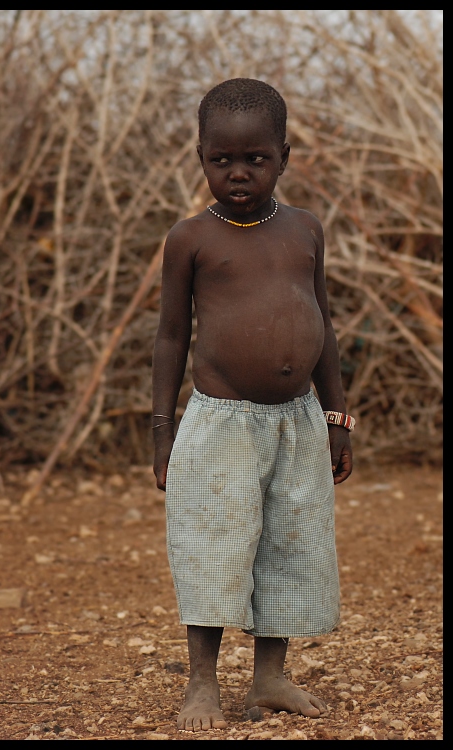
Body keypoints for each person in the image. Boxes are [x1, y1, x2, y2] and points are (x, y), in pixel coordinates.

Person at [151, 78, 354, 733]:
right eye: (221, 160)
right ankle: (202, 685)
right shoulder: (190, 238)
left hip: (297, 421)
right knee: (212, 547)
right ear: (201, 157)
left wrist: (336, 417)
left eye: (255, 159)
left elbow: (320, 322)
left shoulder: (304, 229)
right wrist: (162, 433)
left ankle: (269, 676)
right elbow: (170, 338)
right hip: (221, 424)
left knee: (291, 547)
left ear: (283, 156)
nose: (237, 173)